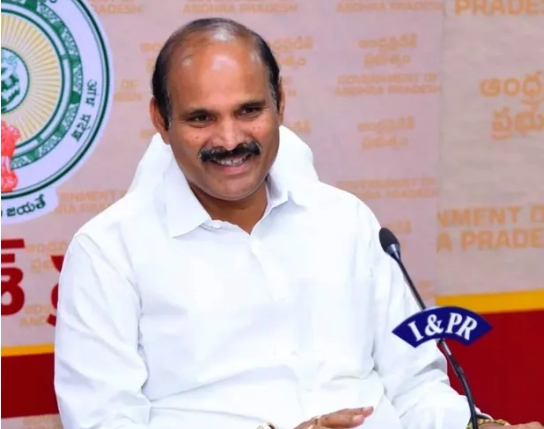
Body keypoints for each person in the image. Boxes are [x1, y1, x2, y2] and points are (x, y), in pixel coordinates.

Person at [53, 17, 542, 429]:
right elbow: (103, 422)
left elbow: (415, 385)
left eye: (249, 110)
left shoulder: (346, 221)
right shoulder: (108, 251)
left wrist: (476, 426)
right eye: (202, 118)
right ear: (161, 120)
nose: (230, 139)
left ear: (280, 104)